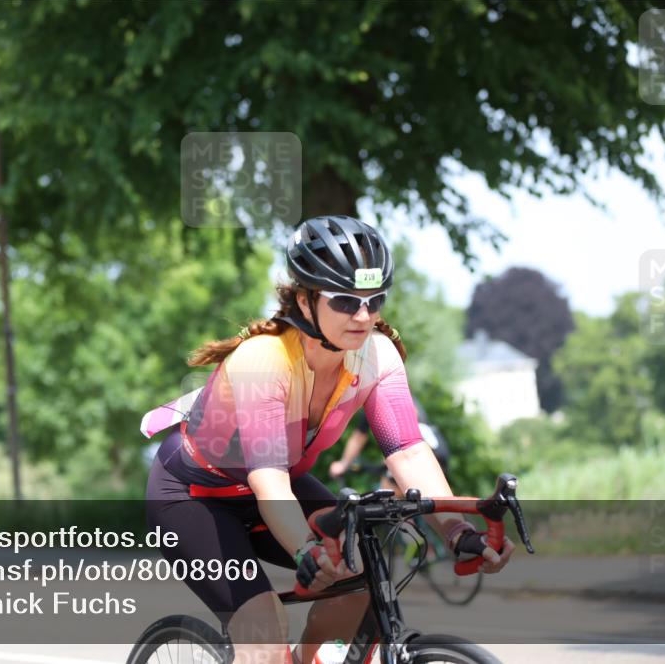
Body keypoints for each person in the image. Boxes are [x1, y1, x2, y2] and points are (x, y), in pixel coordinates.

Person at [141, 216, 514, 664]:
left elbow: (409, 451)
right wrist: (306, 549)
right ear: (305, 299)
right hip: (194, 497)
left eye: (375, 300)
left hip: (275, 485)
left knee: (356, 579)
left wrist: (456, 530)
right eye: (345, 302)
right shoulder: (265, 359)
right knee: (263, 628)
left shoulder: (378, 354)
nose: (363, 316)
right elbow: (269, 481)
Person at [329, 398, 451, 492]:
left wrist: (343, 464)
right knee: (419, 504)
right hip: (436, 453)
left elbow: (358, 438)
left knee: (389, 500)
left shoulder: (375, 398)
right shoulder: (406, 395)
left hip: (420, 453)